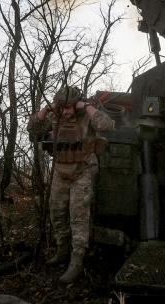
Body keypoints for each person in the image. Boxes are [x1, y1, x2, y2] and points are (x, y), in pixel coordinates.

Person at [28, 85, 114, 283]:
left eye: (69, 107)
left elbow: (107, 125)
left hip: (83, 170)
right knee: (56, 212)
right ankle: (62, 250)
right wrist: (46, 110)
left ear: (76, 105)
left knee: (78, 216)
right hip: (61, 171)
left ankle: (77, 260)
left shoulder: (86, 117)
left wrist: (87, 107)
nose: (65, 112)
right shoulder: (55, 117)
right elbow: (32, 129)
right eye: (62, 107)